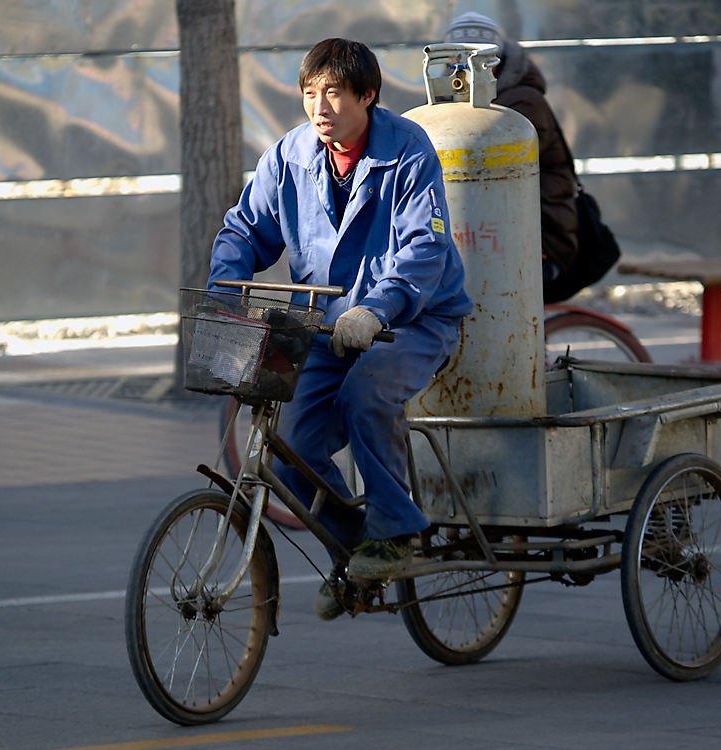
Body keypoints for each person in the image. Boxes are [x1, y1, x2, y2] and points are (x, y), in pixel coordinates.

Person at [207, 38, 473, 619]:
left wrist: (378, 309)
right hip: (329, 327)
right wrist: (226, 295)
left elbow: (424, 249)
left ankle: (396, 529)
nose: (319, 107)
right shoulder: (289, 156)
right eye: (309, 93)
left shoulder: (407, 150)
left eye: (332, 92)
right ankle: (358, 546)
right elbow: (246, 230)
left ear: (368, 95)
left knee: (365, 394)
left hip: (414, 320)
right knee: (290, 450)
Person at [444, 12, 579, 291]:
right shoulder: (455, 104)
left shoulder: (521, 105)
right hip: (493, 235)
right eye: (455, 60)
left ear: (496, 61)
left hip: (539, 240)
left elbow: (479, 167)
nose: (464, 70)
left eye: (476, 61)